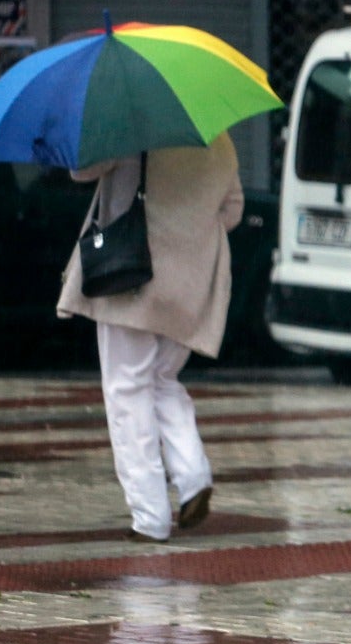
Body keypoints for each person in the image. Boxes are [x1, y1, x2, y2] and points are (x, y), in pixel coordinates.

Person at [57, 133, 244, 542]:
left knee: (127, 388)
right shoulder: (220, 140)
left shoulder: (129, 125)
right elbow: (232, 212)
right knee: (161, 379)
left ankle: (150, 517)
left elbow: (80, 170)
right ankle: (194, 477)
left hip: (131, 274)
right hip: (190, 288)